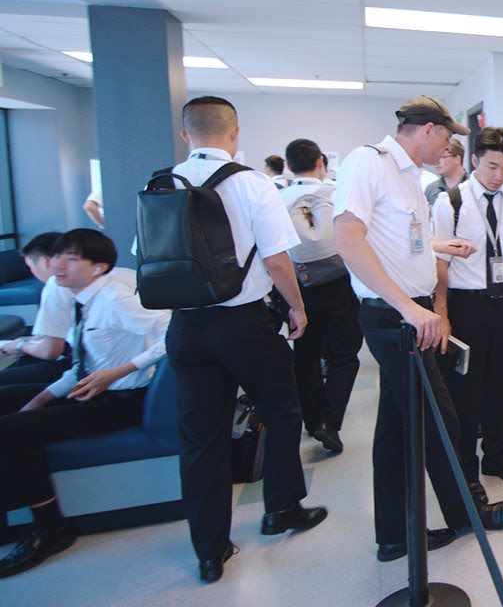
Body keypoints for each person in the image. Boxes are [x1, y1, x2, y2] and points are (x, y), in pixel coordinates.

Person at [334, 96, 503, 562]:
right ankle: (466, 516)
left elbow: (398, 238)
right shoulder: (368, 163)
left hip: (409, 309)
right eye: (446, 137)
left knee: (397, 428)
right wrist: (410, 309)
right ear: (426, 129)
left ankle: (394, 534)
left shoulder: (407, 177)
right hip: (396, 315)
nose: (447, 147)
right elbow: (347, 237)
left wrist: (440, 247)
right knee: (442, 418)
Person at [166, 96, 326, 583]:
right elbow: (278, 260)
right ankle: (281, 509)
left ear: (185, 135)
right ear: (235, 133)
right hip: (245, 323)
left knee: (200, 436)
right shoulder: (252, 184)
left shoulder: (161, 183)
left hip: (187, 328)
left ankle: (209, 550)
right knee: (281, 412)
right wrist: (297, 308)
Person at [0, 230, 169, 578]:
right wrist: (41, 399)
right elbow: (81, 367)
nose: (58, 264)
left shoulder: (112, 299)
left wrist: (122, 370)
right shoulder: (81, 300)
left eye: (71, 258)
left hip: (119, 400)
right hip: (90, 390)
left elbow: (175, 330)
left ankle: (50, 528)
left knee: (12, 431)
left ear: (98, 267)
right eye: (58, 256)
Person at [434, 127, 503, 497]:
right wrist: (442, 314)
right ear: (474, 160)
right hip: (466, 304)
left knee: (501, 381)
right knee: (466, 388)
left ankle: (496, 454)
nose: (499, 175)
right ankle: (466, 469)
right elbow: (440, 264)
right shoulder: (451, 202)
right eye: (492, 166)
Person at [279, 138, 364, 454]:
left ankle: (313, 421)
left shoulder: (278, 198)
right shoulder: (338, 193)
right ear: (321, 163)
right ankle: (331, 421)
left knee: (305, 356)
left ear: (288, 166)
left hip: (296, 285)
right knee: (344, 355)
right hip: (341, 283)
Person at [0, 233, 72, 388]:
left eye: (30, 267)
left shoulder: (56, 286)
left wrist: (19, 346)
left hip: (75, 366)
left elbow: (50, 351)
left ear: (43, 262)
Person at [424, 138, 468, 207]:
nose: (437, 162)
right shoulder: (431, 190)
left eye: (442, 157)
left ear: (457, 159)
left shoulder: (473, 186)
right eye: (436, 157)